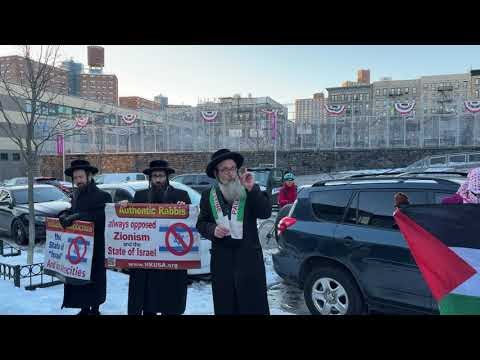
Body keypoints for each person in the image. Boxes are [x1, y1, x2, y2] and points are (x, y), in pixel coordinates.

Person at [196, 149, 271, 315]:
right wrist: (212, 229)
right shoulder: (208, 195)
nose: (230, 173)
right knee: (227, 307)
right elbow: (201, 223)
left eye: (233, 168)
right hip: (222, 264)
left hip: (250, 263)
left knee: (253, 308)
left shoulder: (249, 190)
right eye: (225, 169)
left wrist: (252, 189)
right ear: (216, 173)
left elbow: (265, 212)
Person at [125, 160, 191, 315]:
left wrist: (185, 209)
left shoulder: (181, 195)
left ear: (167, 177)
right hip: (148, 265)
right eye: (155, 176)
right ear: (150, 178)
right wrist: (123, 208)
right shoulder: (140, 196)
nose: (158, 180)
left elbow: (192, 223)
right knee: (149, 302)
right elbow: (130, 224)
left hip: (171, 262)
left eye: (161, 176)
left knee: (171, 303)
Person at [59, 159, 112, 315]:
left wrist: (78, 216)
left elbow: (103, 216)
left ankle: (95, 309)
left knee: (95, 280)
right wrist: (66, 214)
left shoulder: (103, 195)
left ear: (89, 176)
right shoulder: (76, 195)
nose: (78, 181)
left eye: (80, 177)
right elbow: (73, 209)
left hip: (96, 247)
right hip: (78, 246)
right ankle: (84, 308)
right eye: (75, 178)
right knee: (80, 278)